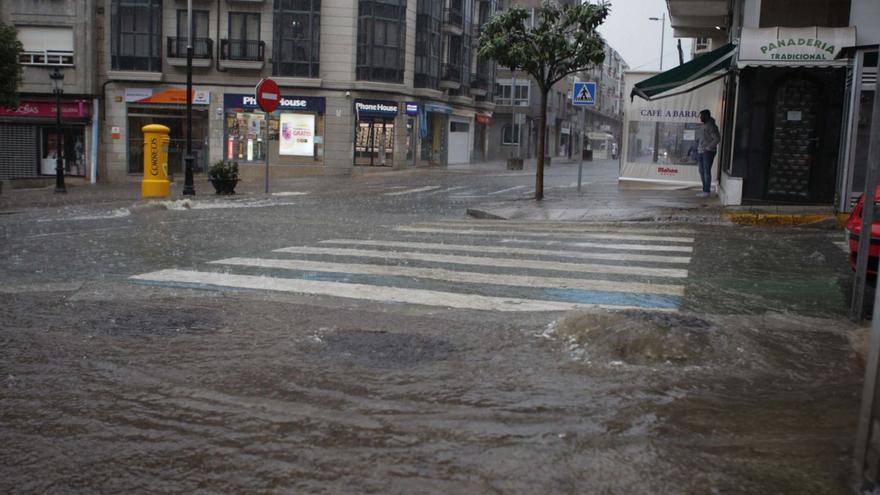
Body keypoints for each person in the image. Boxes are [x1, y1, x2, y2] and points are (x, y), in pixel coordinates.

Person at [696, 109, 720, 198]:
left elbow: (717, 138)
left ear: (707, 116)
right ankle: (704, 189)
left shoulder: (712, 126)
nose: (700, 118)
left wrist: (708, 148)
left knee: (706, 172)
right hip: (701, 151)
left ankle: (707, 191)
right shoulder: (704, 125)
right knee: (701, 171)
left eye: (702, 116)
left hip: (708, 152)